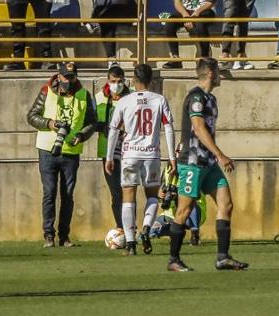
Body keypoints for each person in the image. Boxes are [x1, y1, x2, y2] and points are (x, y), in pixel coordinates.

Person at [105, 63, 176, 256]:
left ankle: (130, 243)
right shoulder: (159, 99)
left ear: (134, 81)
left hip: (129, 155)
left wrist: (109, 156)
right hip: (151, 154)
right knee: (152, 195)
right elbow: (168, 127)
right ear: (151, 80)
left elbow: (113, 130)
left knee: (128, 197)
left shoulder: (124, 101)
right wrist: (172, 158)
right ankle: (145, 227)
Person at [26, 62, 98, 248]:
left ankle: (64, 236)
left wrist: (82, 136)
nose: (68, 80)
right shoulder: (46, 91)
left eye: (72, 77)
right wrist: (49, 123)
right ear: (59, 75)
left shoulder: (84, 94)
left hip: (71, 152)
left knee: (67, 194)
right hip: (47, 149)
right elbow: (31, 116)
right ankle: (48, 235)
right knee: (49, 192)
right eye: (65, 77)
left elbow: (92, 122)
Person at [93, 65, 131, 232]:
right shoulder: (98, 98)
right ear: (108, 81)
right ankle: (121, 227)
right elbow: (91, 121)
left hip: (129, 150)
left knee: (129, 191)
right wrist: (102, 126)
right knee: (116, 192)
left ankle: (131, 227)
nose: (117, 84)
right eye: (114, 81)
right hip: (107, 151)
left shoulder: (131, 97)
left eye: (120, 81)